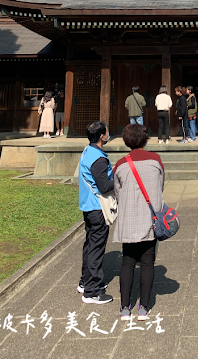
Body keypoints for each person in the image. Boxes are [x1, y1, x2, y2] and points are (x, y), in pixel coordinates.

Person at [113, 124, 164, 320]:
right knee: (147, 262)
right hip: (150, 218)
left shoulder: (120, 164)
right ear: (146, 139)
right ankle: (143, 306)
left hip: (128, 218)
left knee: (127, 261)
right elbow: (160, 185)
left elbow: (117, 191)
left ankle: (125, 306)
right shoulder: (155, 160)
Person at [78, 120, 114, 304]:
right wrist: (118, 175)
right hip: (97, 207)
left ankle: (85, 281)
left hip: (87, 205)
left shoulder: (88, 152)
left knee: (90, 244)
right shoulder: (98, 159)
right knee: (96, 247)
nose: (108, 134)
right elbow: (105, 186)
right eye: (107, 132)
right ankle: (92, 290)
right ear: (102, 136)